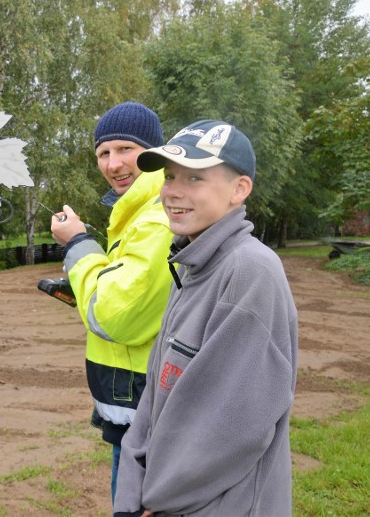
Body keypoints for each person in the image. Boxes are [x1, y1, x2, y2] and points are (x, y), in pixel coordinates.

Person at [113, 120, 298, 516]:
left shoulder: (249, 272)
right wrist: (130, 495)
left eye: (195, 177)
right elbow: (156, 395)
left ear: (239, 189)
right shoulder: (192, 265)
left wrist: (158, 499)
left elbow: (226, 430)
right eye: (169, 176)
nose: (173, 192)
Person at [49, 101, 173, 507]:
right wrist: (83, 290)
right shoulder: (136, 214)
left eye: (125, 149)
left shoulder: (155, 219)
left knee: (135, 503)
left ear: (153, 153)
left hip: (143, 405)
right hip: (132, 401)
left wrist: (80, 244)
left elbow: (113, 315)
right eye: (103, 153)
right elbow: (129, 295)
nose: (113, 163)